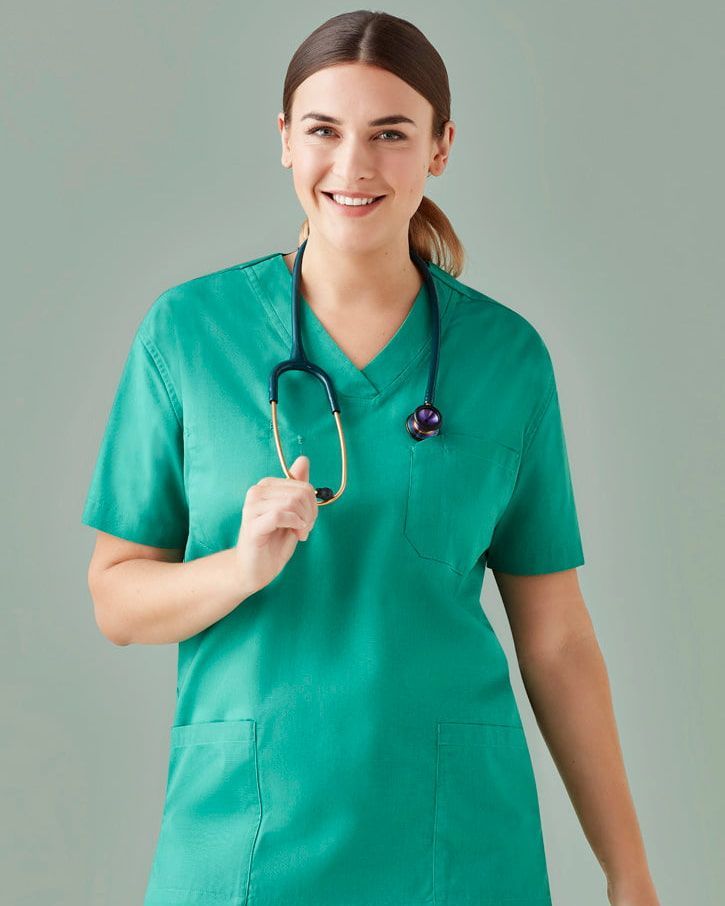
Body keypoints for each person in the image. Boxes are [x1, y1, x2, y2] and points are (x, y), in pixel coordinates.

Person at [81, 10, 660, 906]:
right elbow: (117, 598)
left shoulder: (504, 360)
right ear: (283, 141)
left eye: (391, 134)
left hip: (456, 845)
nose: (353, 166)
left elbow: (557, 639)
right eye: (323, 130)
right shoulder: (189, 336)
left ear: (440, 147)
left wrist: (628, 875)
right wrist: (237, 569)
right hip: (245, 836)